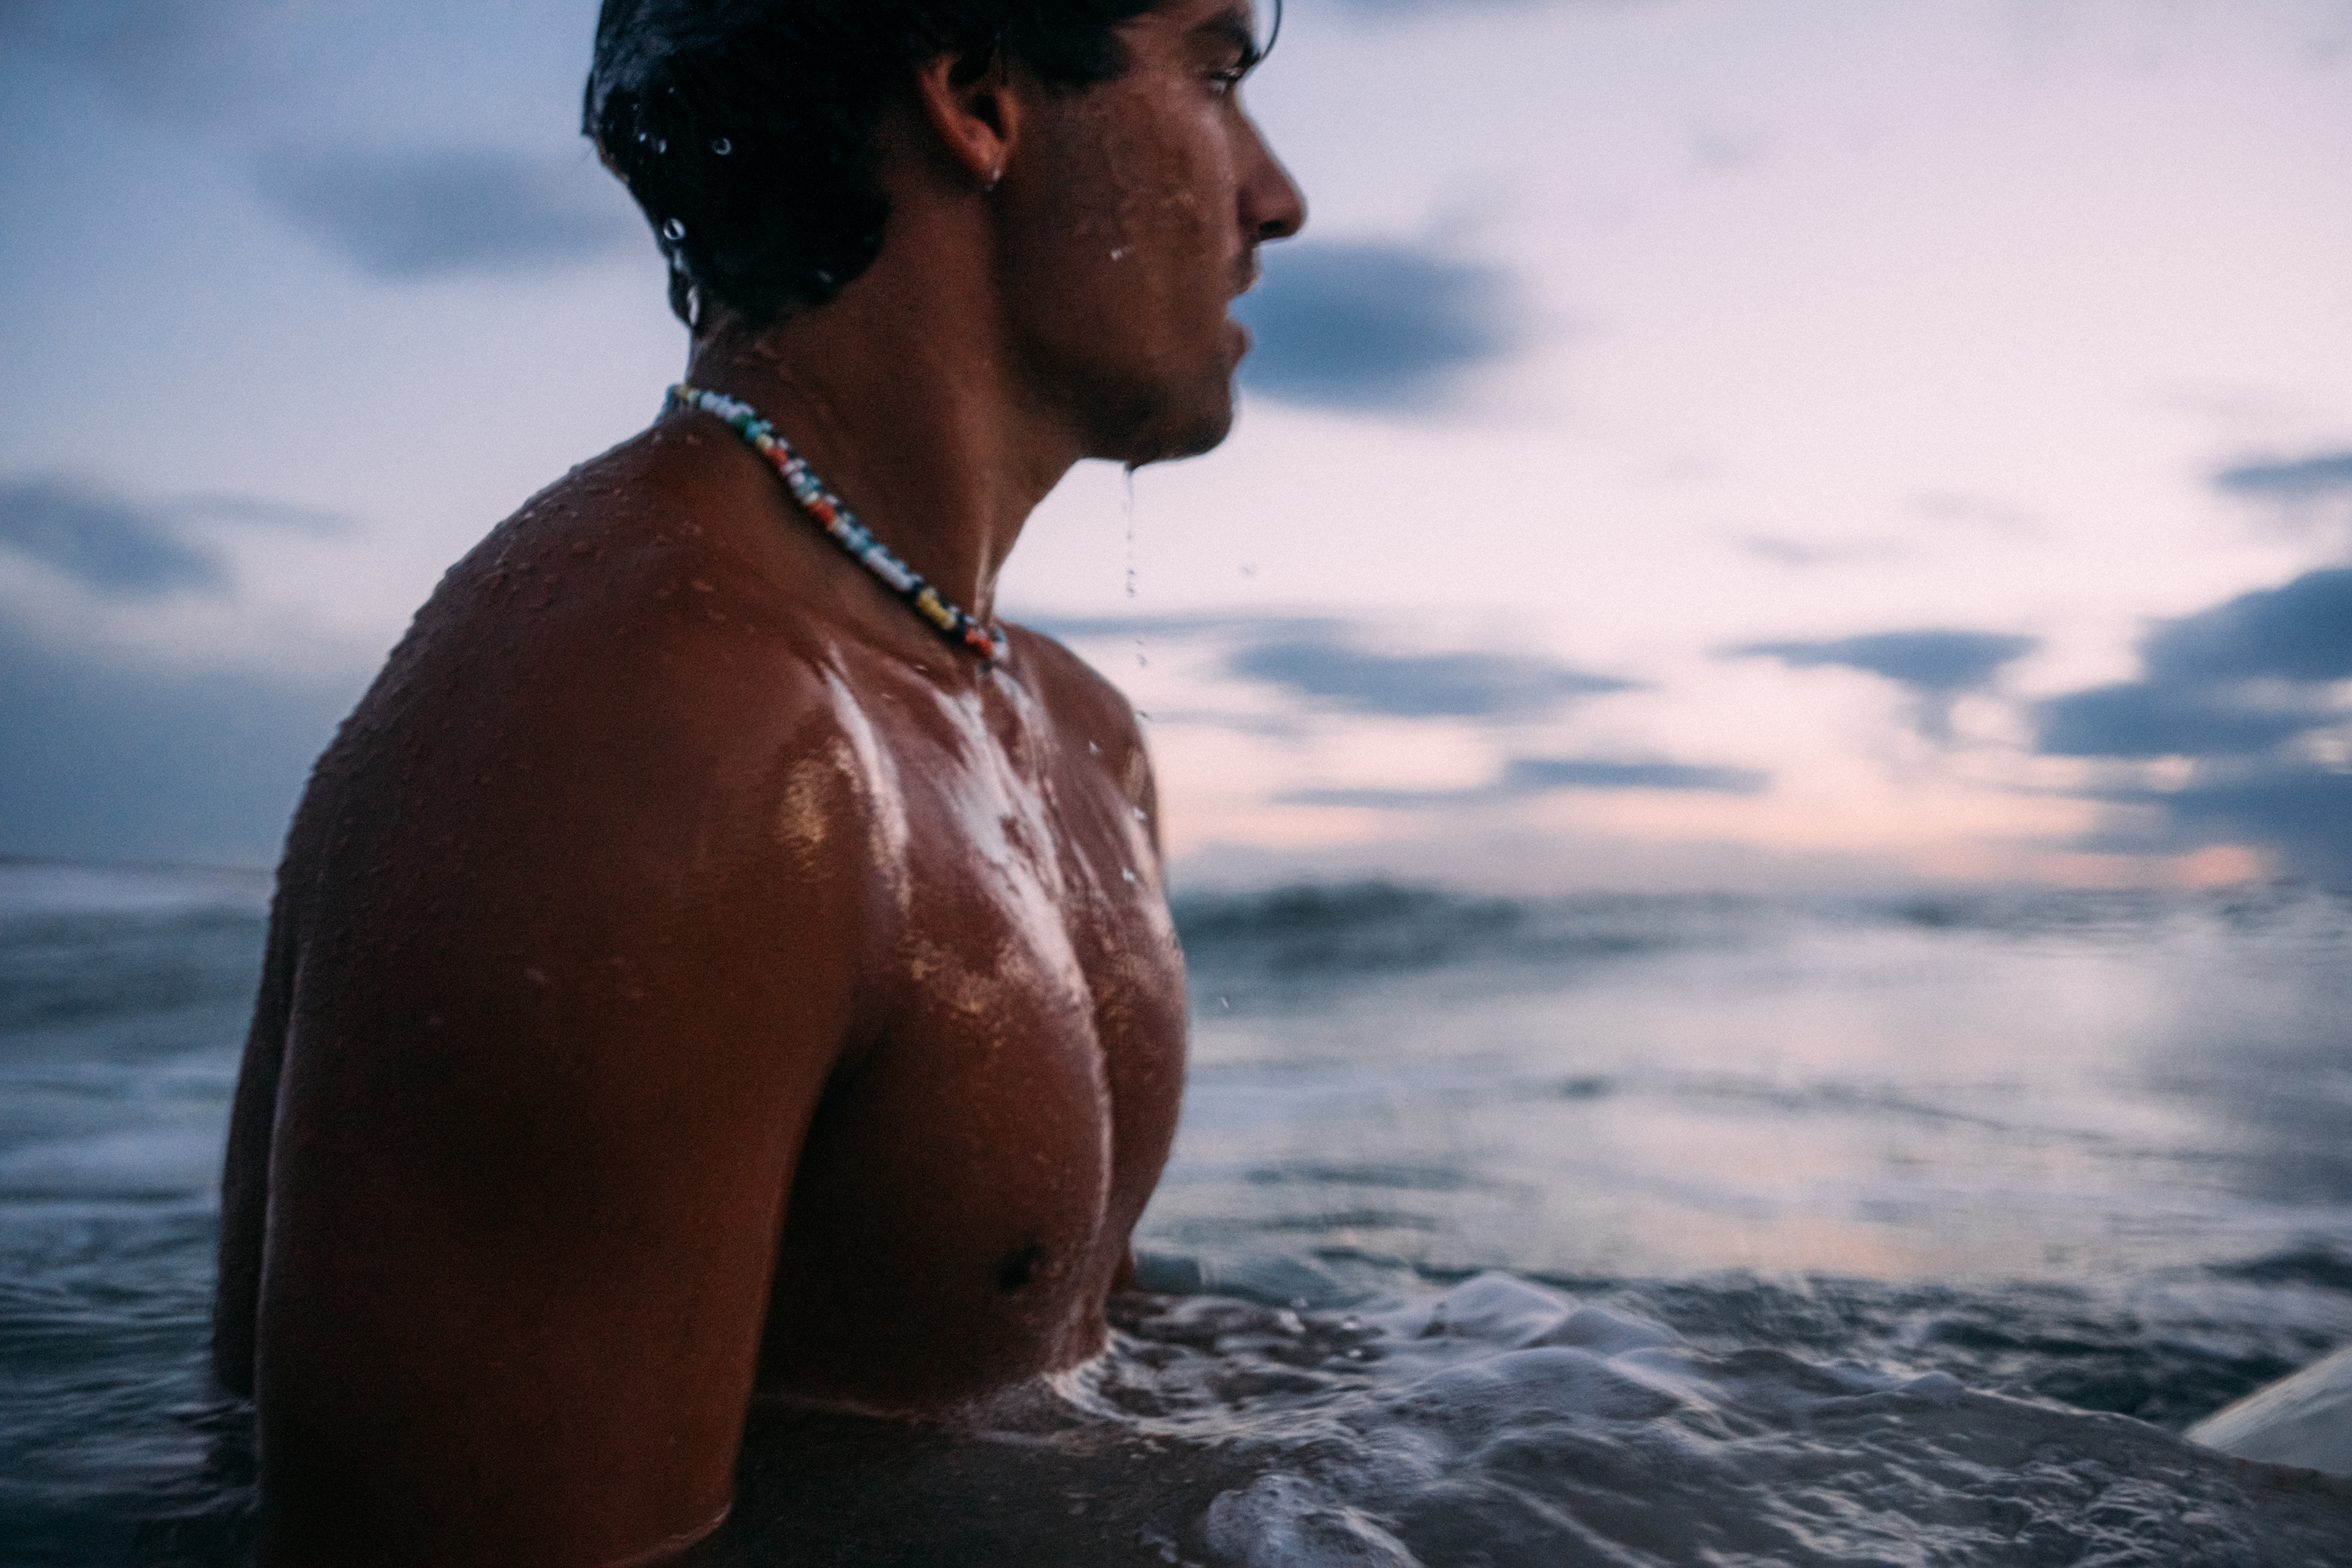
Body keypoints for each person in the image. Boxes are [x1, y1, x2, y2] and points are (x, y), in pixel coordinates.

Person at [206, 0, 1305, 1561]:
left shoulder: (1074, 734)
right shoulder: (646, 726)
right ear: (979, 94)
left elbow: (1068, 1373)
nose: (1277, 194)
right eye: (1213, 66)